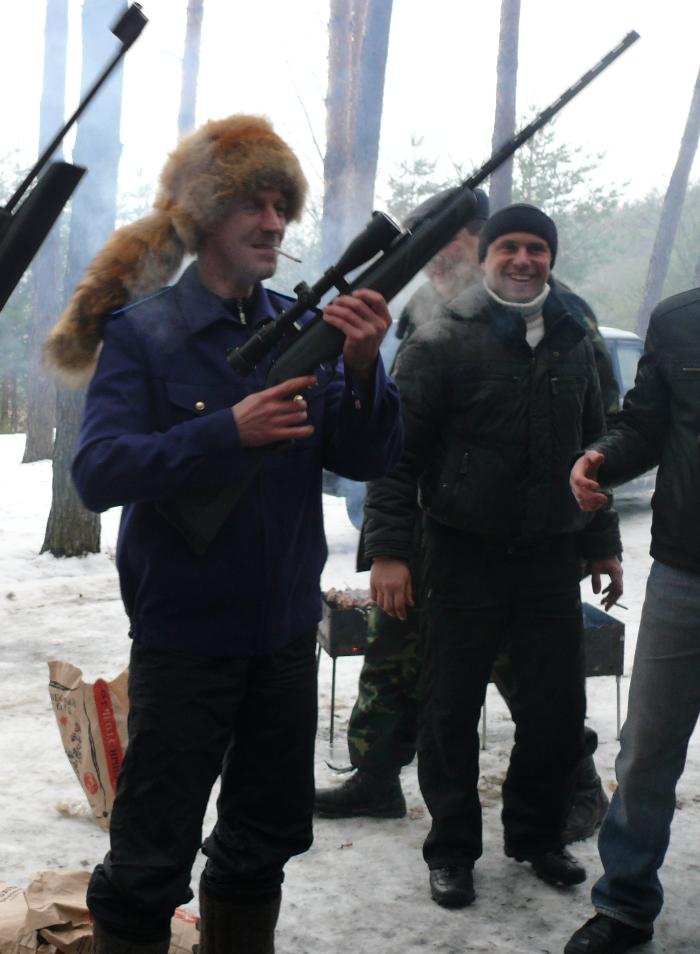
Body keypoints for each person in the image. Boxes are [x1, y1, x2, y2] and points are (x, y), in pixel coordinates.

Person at [45, 115, 403, 954]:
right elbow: (98, 472)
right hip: (185, 639)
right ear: (207, 215)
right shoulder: (141, 332)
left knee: (263, 841)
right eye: (254, 204)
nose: (274, 223)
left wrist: (362, 368)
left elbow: (367, 456)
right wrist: (224, 432)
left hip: (285, 637)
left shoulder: (310, 334)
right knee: (149, 859)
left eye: (282, 206)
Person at [317, 192, 613, 846]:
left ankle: (576, 783)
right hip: (438, 531)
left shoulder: (564, 319)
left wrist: (598, 539)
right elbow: (400, 442)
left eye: (439, 246)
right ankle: (377, 774)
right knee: (397, 655)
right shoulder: (430, 313)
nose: (428, 262)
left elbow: (597, 434)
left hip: (523, 540)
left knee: (531, 678)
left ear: (473, 243)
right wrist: (389, 548)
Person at [565, 287, 700, 954]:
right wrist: (602, 459)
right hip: (685, 572)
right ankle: (624, 901)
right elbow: (645, 425)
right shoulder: (680, 321)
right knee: (647, 745)